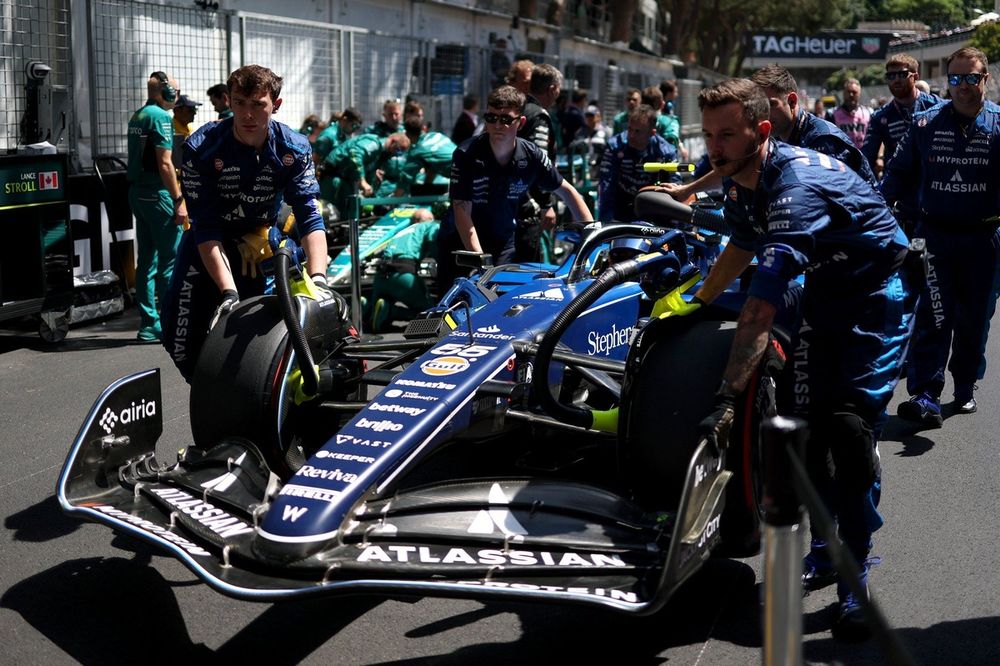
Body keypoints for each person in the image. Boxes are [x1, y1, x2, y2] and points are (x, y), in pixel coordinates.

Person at [692, 78, 911, 638]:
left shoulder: (794, 184)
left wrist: (724, 397)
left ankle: (856, 574)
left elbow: (762, 307)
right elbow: (741, 246)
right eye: (708, 134)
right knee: (799, 432)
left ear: (761, 131)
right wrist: (697, 301)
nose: (713, 148)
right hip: (819, 291)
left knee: (847, 431)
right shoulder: (742, 179)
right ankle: (822, 539)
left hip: (875, 295)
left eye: (727, 135)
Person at [163, 65, 330, 380]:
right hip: (208, 243)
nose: (247, 114)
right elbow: (205, 226)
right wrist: (228, 292)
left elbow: (309, 215)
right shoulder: (202, 146)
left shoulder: (293, 146)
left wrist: (318, 278)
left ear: (275, 106)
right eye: (240, 102)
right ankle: (211, 398)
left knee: (262, 340)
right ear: (228, 100)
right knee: (179, 339)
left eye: (258, 104)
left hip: (262, 244)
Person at [881, 46, 1000, 425]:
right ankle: (926, 394)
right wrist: (877, 218)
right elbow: (895, 176)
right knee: (933, 316)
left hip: (985, 241)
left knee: (974, 320)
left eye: (971, 78)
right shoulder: (925, 124)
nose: (962, 86)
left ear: (986, 80)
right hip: (935, 238)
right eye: (955, 78)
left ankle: (964, 386)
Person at [438, 85, 592, 290]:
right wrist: (480, 260)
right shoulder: (466, 154)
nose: (497, 125)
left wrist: (592, 241)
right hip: (461, 244)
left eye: (506, 119)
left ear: (520, 123)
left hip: (502, 243)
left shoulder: (531, 155)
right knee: (452, 311)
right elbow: (462, 211)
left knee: (496, 308)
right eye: (491, 117)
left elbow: (568, 192)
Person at [659, 64, 876, 202]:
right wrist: (687, 189)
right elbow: (735, 165)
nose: (762, 113)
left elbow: (831, 203)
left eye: (770, 104)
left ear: (792, 101)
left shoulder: (821, 139)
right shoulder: (769, 133)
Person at [126, 71, 187, 344]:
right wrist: (178, 199)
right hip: (158, 195)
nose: (178, 97)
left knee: (147, 261)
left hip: (138, 194)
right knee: (169, 260)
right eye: (176, 91)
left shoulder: (138, 114)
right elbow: (165, 164)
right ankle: (170, 322)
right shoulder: (162, 117)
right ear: (168, 93)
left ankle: (149, 324)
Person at [861, 53, 941, 189]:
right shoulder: (880, 117)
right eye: (891, 76)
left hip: (934, 185)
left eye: (902, 74)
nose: (896, 80)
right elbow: (866, 159)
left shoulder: (936, 107)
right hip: (900, 189)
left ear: (915, 76)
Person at [597, 104, 677, 223]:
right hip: (620, 206)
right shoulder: (615, 146)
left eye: (638, 131)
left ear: (652, 133)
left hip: (652, 207)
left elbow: (674, 186)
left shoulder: (665, 152)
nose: (632, 135)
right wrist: (606, 221)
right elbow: (606, 184)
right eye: (630, 129)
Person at [516, 63, 563, 260]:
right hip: (528, 208)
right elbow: (539, 163)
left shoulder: (519, 108)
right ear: (552, 88)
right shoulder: (539, 116)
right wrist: (545, 204)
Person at [367, 208, 439, 332]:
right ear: (429, 219)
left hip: (381, 276)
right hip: (404, 276)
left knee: (379, 304)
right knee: (429, 313)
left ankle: (366, 307)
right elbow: (434, 241)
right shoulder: (430, 225)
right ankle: (391, 311)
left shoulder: (402, 231)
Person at [322, 131, 411, 213]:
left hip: (345, 183)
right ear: (392, 141)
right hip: (333, 179)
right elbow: (355, 154)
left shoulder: (381, 155)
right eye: (398, 150)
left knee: (348, 214)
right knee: (330, 214)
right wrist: (362, 181)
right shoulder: (375, 143)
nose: (397, 154)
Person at [394, 116, 456, 196]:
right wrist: (426, 189)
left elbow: (405, 180)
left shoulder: (417, 151)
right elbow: (433, 168)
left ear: (407, 134)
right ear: (422, 128)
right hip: (472, 164)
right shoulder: (436, 135)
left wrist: (392, 203)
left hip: (462, 174)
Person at [831, 78, 871, 150]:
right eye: (848, 92)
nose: (851, 95)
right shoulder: (833, 114)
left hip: (863, 157)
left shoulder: (868, 113)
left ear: (859, 94)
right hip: (841, 158)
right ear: (844, 93)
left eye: (854, 92)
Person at [171, 94, 201, 169]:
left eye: (195, 109)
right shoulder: (170, 129)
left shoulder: (190, 128)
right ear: (177, 110)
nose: (194, 113)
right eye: (190, 109)